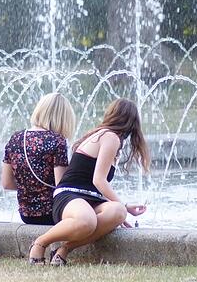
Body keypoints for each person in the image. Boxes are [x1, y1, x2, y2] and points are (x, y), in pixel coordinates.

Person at [28, 98, 150, 265]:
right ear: (133, 122)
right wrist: (122, 204)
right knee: (88, 221)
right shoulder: (110, 137)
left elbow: (96, 186)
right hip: (69, 196)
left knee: (118, 212)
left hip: (91, 200)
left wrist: (125, 207)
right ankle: (39, 243)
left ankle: (64, 249)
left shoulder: (106, 136)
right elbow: (99, 180)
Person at [2, 93, 76, 225]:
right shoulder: (57, 141)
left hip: (26, 215)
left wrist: (29, 188)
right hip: (52, 213)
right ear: (64, 118)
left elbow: (6, 183)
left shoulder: (16, 138)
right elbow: (61, 186)